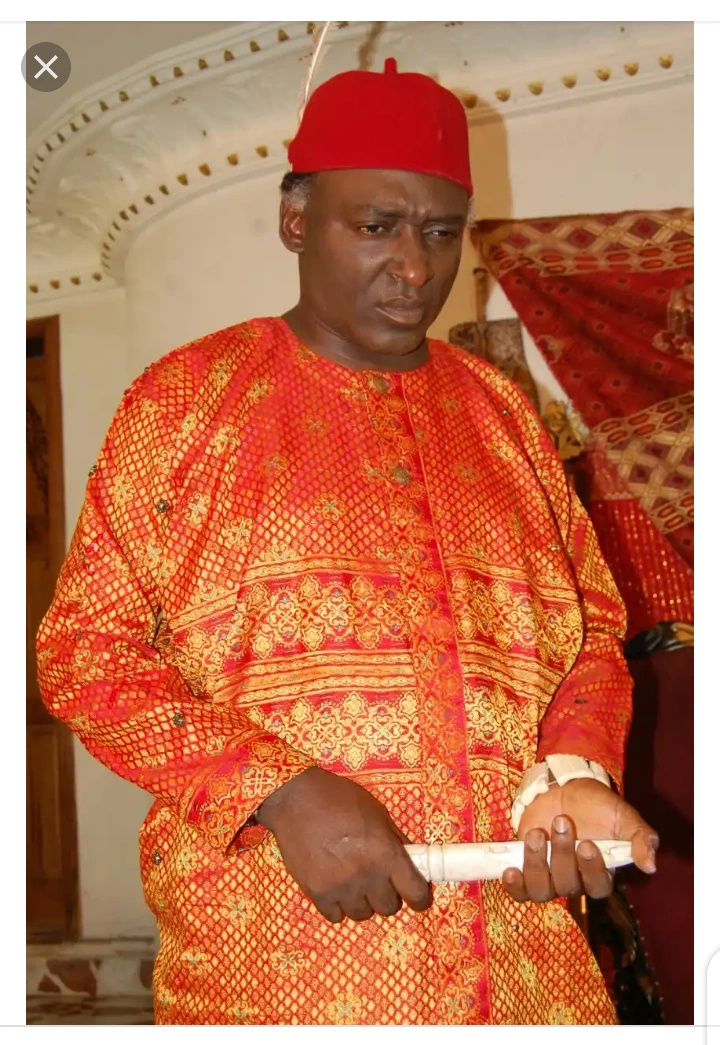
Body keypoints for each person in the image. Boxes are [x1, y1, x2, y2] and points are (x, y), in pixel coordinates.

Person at [37, 58, 657, 1026]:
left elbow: (589, 633)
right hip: (275, 969)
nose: (414, 267)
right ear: (296, 220)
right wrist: (277, 790)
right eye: (376, 227)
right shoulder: (185, 401)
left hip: (522, 966)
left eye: (441, 232)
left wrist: (571, 771)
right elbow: (84, 651)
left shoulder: (501, 414)